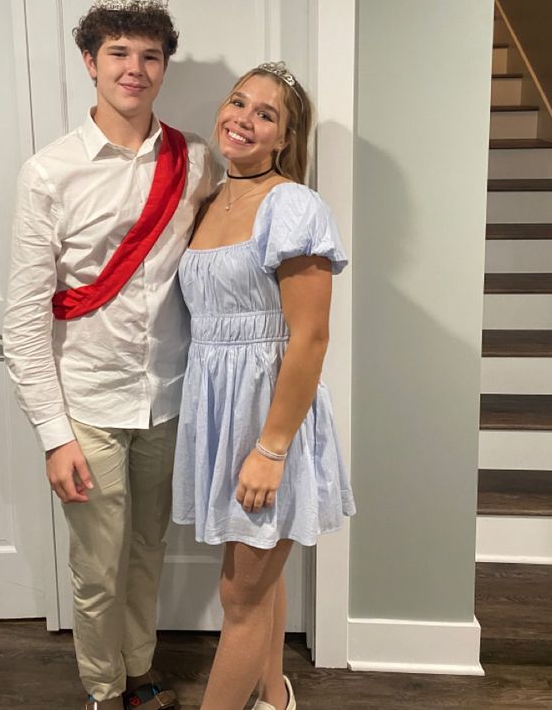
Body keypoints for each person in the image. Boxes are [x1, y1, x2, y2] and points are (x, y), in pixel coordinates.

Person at [3, 0, 221, 710]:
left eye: (150, 55)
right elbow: (26, 317)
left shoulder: (194, 163)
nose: (135, 68)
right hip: (87, 401)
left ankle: (139, 670)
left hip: (165, 396)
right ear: (90, 61)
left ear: (164, 67)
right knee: (99, 565)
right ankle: (103, 689)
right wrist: (52, 433)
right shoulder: (49, 172)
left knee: (147, 550)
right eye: (119, 53)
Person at [172, 61, 355, 710]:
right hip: (219, 413)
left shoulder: (293, 205)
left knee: (240, 595)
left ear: (283, 137)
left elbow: (309, 338)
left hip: (268, 419)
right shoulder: (206, 201)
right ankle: (273, 697)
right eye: (238, 102)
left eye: (265, 113)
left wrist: (271, 448)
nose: (243, 119)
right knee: (258, 572)